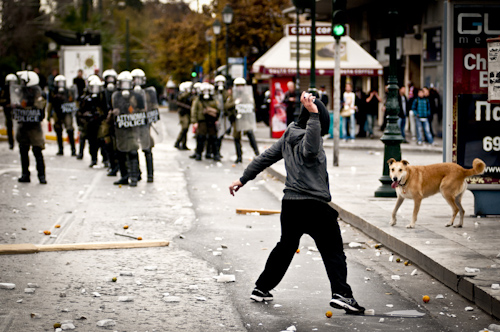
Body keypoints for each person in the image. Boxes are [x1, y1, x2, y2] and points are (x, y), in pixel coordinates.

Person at [229, 91, 365, 315]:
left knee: (285, 247)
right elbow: (309, 151)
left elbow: (264, 157)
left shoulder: (287, 135)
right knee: (333, 250)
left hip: (291, 205)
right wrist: (314, 116)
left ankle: (261, 288)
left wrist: (243, 179)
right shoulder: (309, 135)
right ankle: (342, 294)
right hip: (314, 206)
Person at [12, 71, 47, 184]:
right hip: (23, 126)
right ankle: (25, 174)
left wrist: (26, 105)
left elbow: (39, 109)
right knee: (23, 150)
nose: (22, 83)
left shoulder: (38, 94)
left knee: (37, 151)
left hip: (34, 128)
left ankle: (41, 176)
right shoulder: (20, 92)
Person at [48, 75, 77, 156]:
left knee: (69, 129)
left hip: (66, 112)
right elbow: (50, 104)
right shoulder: (53, 92)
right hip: (57, 112)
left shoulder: (68, 91)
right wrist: (48, 115)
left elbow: (72, 101)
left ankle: (73, 149)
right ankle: (60, 149)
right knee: (58, 129)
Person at [0, 74, 17, 149]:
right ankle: (11, 143)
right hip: (7, 110)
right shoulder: (4, 89)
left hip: (16, 110)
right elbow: (1, 100)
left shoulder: (17, 89)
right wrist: (7, 103)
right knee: (9, 125)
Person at [174, 81, 193, 150]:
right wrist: (187, 92)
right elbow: (180, 98)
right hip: (183, 113)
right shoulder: (181, 94)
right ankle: (177, 142)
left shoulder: (190, 95)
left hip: (188, 113)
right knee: (184, 127)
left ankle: (184, 144)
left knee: (186, 128)